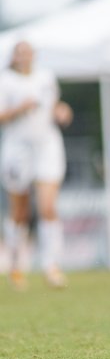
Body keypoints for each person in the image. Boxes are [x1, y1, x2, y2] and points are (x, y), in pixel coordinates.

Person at [0, 41, 73, 289]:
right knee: (20, 211)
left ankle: (51, 266)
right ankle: (17, 266)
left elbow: (54, 106)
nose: (25, 57)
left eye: (28, 52)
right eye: (20, 53)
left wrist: (63, 111)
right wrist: (20, 108)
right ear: (14, 57)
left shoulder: (46, 77)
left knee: (48, 207)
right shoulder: (5, 81)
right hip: (17, 148)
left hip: (47, 145)